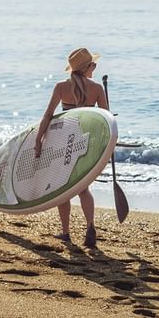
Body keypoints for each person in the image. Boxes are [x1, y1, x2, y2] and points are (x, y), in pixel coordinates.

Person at [34, 47, 108, 247]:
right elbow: (106, 122)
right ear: (87, 67)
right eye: (93, 64)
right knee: (83, 187)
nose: (95, 67)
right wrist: (106, 147)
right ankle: (90, 225)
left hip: (63, 142)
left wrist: (39, 139)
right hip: (86, 143)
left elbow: (48, 115)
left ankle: (66, 232)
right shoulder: (97, 89)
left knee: (62, 187)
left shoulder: (60, 87)